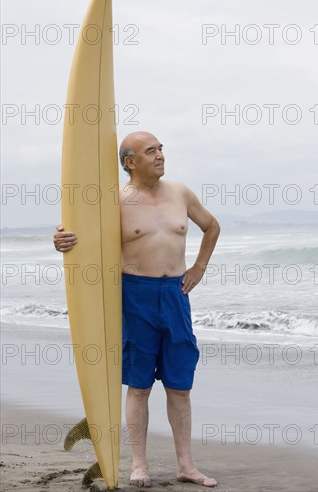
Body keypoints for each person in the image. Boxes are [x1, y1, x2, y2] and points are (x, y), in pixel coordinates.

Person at [54, 131, 220, 488]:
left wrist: (199, 268)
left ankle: (186, 466)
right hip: (134, 296)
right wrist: (61, 240)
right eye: (151, 151)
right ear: (130, 162)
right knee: (140, 386)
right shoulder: (114, 200)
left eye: (161, 149)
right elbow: (80, 237)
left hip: (175, 294)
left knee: (180, 387)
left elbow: (211, 226)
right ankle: (139, 465)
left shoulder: (181, 193)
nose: (160, 155)